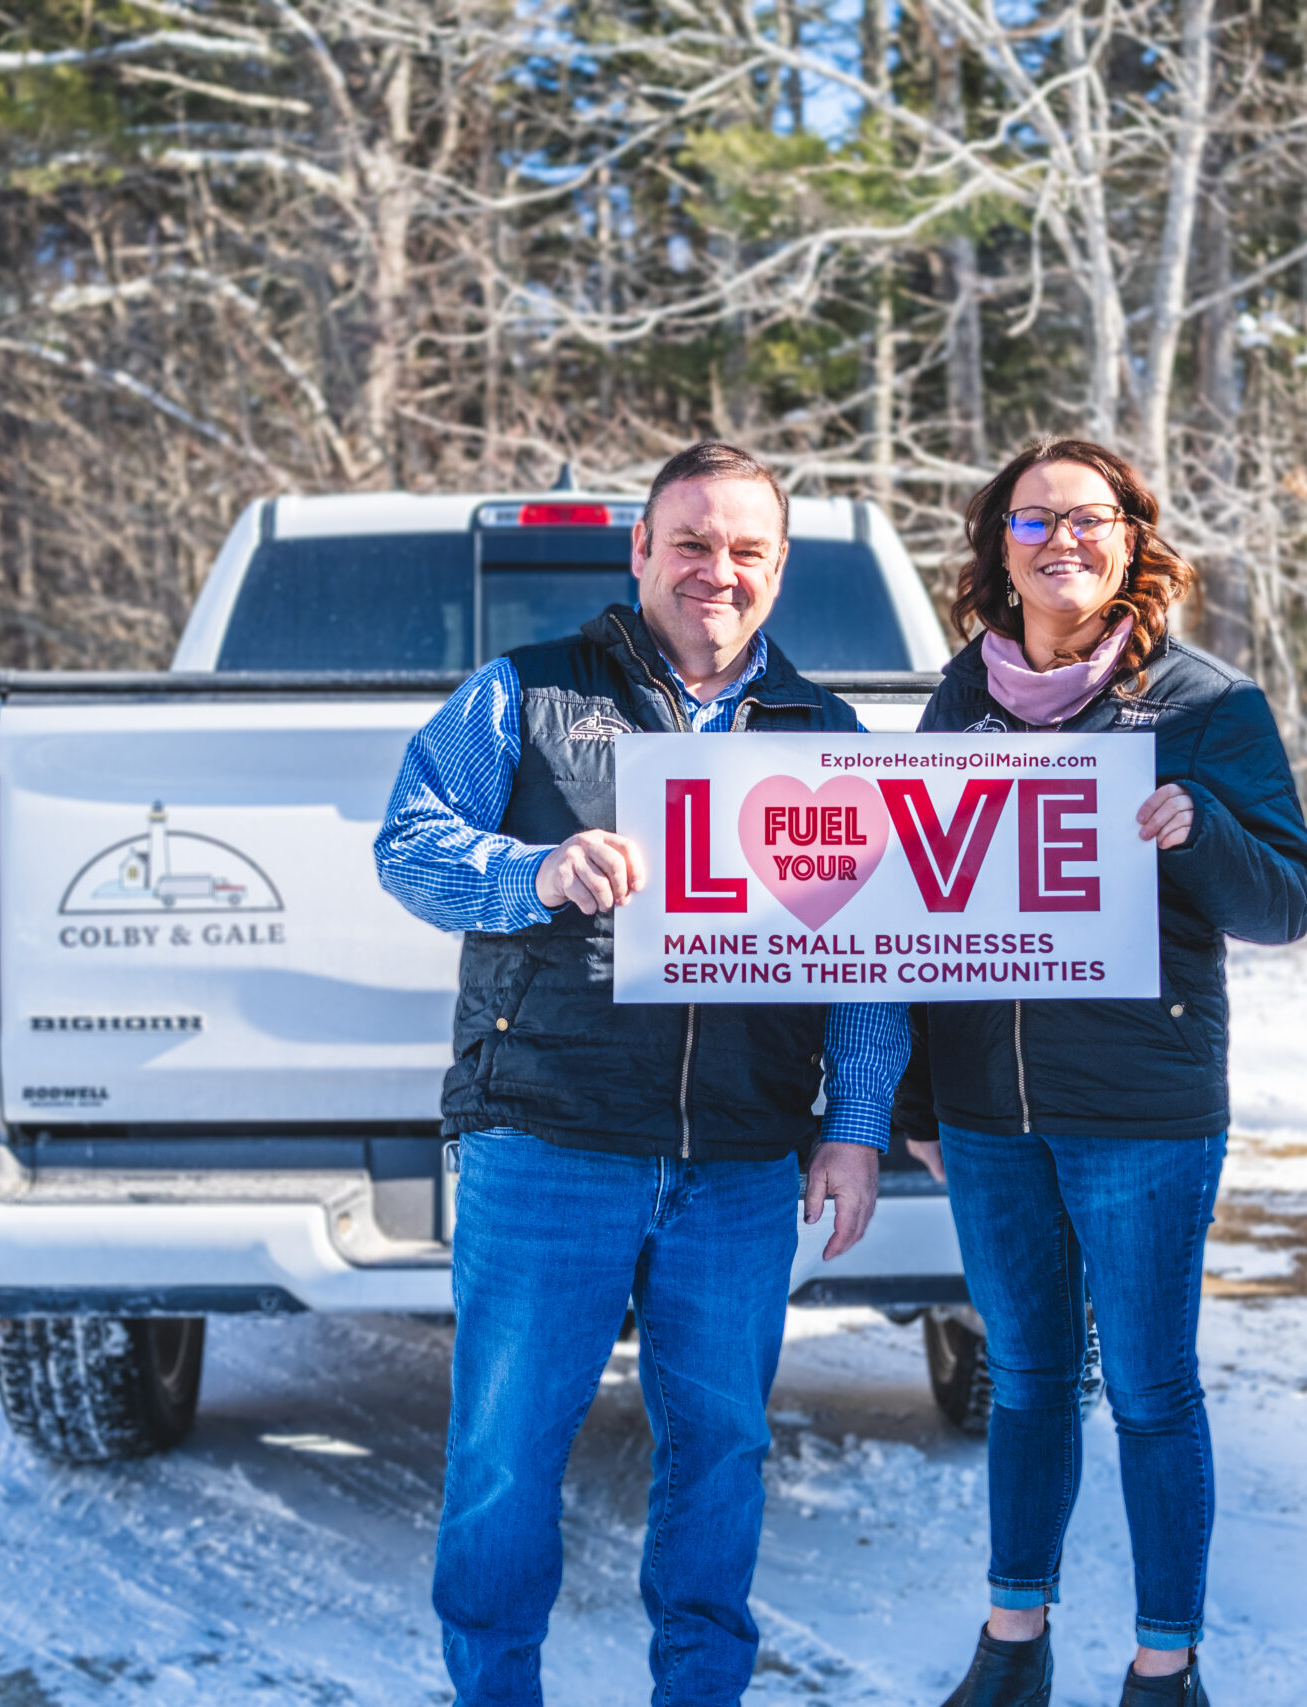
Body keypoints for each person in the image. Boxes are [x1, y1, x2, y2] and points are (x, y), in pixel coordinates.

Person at [373, 442, 907, 1705]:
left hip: (735, 1160)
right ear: (640, 552)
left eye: (745, 551)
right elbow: (408, 845)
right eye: (690, 543)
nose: (715, 571)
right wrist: (532, 874)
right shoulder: (526, 693)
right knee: (506, 1452)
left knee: (718, 1452)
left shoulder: (825, 736)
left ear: (775, 572)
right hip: (548, 1141)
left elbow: (870, 956)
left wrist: (860, 1122)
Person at [897, 439, 1307, 1707]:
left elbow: (1288, 900)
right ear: (998, 548)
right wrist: (921, 1102)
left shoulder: (1204, 707)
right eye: (1033, 522)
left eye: (1088, 519)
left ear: (1133, 539)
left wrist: (1201, 833)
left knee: (1147, 1387)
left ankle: (1163, 1663)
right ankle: (1012, 1643)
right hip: (987, 1118)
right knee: (1025, 1381)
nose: (1061, 542)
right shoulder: (957, 706)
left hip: (1142, 1113)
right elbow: (913, 915)